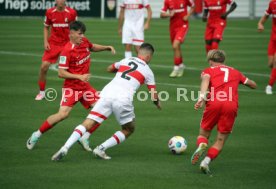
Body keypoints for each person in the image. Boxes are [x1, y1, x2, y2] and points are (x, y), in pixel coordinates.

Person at [51, 43, 161, 161]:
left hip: (107, 92)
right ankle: (101, 148)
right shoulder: (148, 71)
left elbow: (109, 68)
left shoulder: (127, 59)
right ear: (148, 57)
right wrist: (157, 103)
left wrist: (119, 73)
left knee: (88, 123)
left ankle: (65, 147)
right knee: (129, 129)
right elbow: (153, 95)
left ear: (139, 52)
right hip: (123, 98)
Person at [27, 21, 116, 151]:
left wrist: (106, 47)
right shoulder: (67, 51)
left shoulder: (84, 41)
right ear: (72, 33)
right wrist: (79, 76)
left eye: (83, 34)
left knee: (103, 109)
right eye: (80, 34)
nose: (82, 36)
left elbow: (92, 47)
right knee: (62, 115)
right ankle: (36, 134)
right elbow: (61, 73)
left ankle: (84, 137)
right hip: (71, 88)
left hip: (85, 87)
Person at [190, 50, 257, 174]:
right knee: (220, 140)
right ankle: (206, 162)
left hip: (214, 102)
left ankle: (202, 145)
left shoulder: (208, 70)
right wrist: (243, 82)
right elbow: (253, 84)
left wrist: (201, 97)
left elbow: (205, 80)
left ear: (210, 61)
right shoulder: (236, 72)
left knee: (203, 135)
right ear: (224, 60)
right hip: (230, 105)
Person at [35, 0, 77, 100]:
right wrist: (45, 41)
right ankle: (41, 92)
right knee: (43, 67)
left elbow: (76, 29)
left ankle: (73, 93)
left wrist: (74, 43)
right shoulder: (49, 12)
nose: (61, 1)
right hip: (53, 43)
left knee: (72, 69)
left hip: (67, 43)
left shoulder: (72, 13)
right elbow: (46, 27)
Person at [160, 0, 195, 78]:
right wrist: (169, 14)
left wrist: (188, 15)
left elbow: (193, 6)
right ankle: (181, 65)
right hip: (173, 27)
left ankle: (176, 68)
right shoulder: (167, 1)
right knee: (176, 47)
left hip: (183, 25)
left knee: (175, 45)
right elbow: (161, 15)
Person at [258, 0, 276, 95]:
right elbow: (266, 15)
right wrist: (260, 23)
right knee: (270, 64)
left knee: (275, 63)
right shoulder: (272, 3)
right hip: (273, 39)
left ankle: (269, 86)